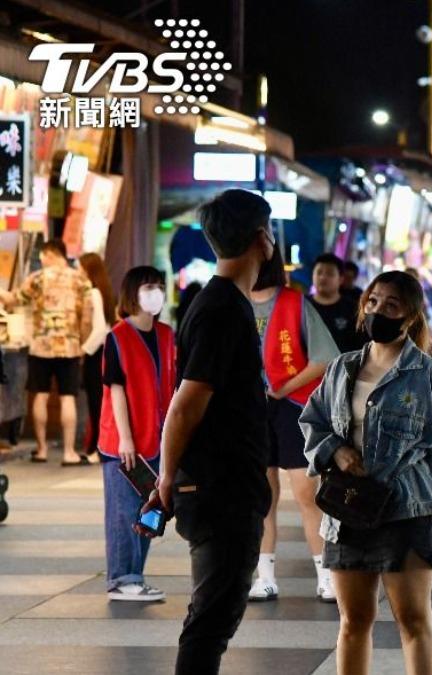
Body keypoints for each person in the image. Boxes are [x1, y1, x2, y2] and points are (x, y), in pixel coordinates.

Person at [300, 270, 432, 675]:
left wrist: (424, 489)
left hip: (406, 511)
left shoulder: (428, 376)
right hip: (347, 510)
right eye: (373, 302)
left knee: (413, 620)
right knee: (353, 623)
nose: (379, 311)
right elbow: (313, 420)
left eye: (391, 305)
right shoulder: (342, 369)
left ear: (409, 317)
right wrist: (335, 451)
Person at [140, 189, 274, 674]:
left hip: (222, 483)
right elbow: (185, 404)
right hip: (221, 488)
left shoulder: (217, 303)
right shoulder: (222, 309)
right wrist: (165, 478)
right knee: (211, 621)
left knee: (213, 617)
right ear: (263, 238)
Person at [247, 247, 340, 603]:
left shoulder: (294, 303)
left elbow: (325, 358)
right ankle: (265, 576)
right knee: (261, 497)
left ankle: (326, 575)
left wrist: (284, 387)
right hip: (251, 410)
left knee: (307, 494)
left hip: (293, 407)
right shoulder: (233, 303)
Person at [98, 265, 175, 602]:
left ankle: (136, 576)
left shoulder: (167, 335)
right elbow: (115, 389)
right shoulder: (117, 336)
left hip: (158, 440)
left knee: (150, 512)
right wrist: (126, 437)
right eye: (148, 286)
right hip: (123, 443)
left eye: (159, 286)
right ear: (132, 293)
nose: (155, 292)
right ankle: (122, 579)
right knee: (124, 512)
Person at [0, 239, 92, 465]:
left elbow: (14, 301)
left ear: (50, 253)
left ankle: (41, 450)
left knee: (40, 396)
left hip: (41, 347)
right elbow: (87, 316)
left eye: (42, 257)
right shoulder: (80, 279)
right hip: (69, 347)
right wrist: (82, 342)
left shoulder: (37, 278)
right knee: (68, 398)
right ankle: (69, 452)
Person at [79, 252, 116, 458]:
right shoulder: (103, 291)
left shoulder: (93, 293)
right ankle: (96, 447)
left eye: (80, 268)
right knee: (99, 402)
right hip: (102, 351)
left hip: (96, 353)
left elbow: (100, 328)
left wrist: (83, 350)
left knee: (97, 402)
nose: (78, 272)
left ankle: (98, 448)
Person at [310, 253, 368, 353]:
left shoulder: (353, 309)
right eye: (319, 272)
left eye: (329, 274)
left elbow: (362, 347)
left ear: (341, 279)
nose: (323, 277)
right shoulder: (301, 306)